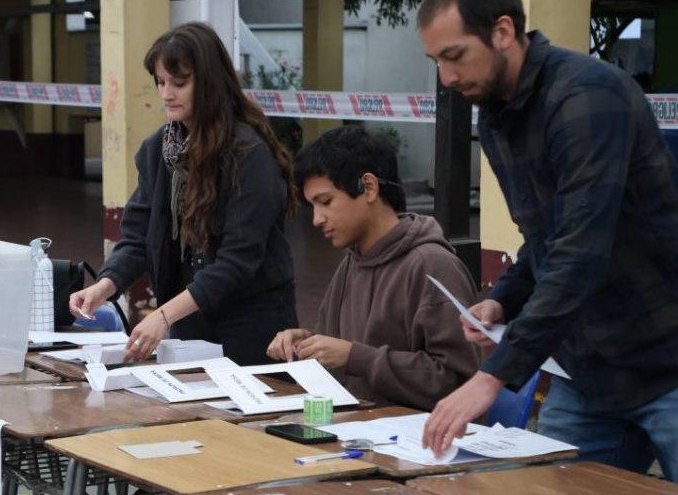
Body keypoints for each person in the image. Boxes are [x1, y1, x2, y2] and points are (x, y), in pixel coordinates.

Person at [417, 0, 678, 480]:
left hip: (667, 362)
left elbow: (581, 250)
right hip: (586, 373)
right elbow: (546, 239)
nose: (447, 79)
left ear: (504, 31)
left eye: (454, 56)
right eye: (436, 62)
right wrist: (504, 298)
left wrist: (493, 375)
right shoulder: (495, 112)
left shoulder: (587, 97)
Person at [69, 22, 300, 365]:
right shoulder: (158, 151)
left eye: (179, 83)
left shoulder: (248, 153)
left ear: (209, 82)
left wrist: (162, 316)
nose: (166, 94)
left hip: (254, 325)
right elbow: (138, 237)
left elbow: (237, 262)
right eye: (161, 82)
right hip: (191, 319)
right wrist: (103, 286)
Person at [266, 126, 479, 411]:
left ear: (368, 187)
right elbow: (340, 349)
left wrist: (356, 358)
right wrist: (306, 343)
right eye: (312, 207)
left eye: (326, 202)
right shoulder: (351, 263)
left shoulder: (433, 266)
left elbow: (460, 383)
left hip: (417, 443)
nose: (316, 219)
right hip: (355, 431)